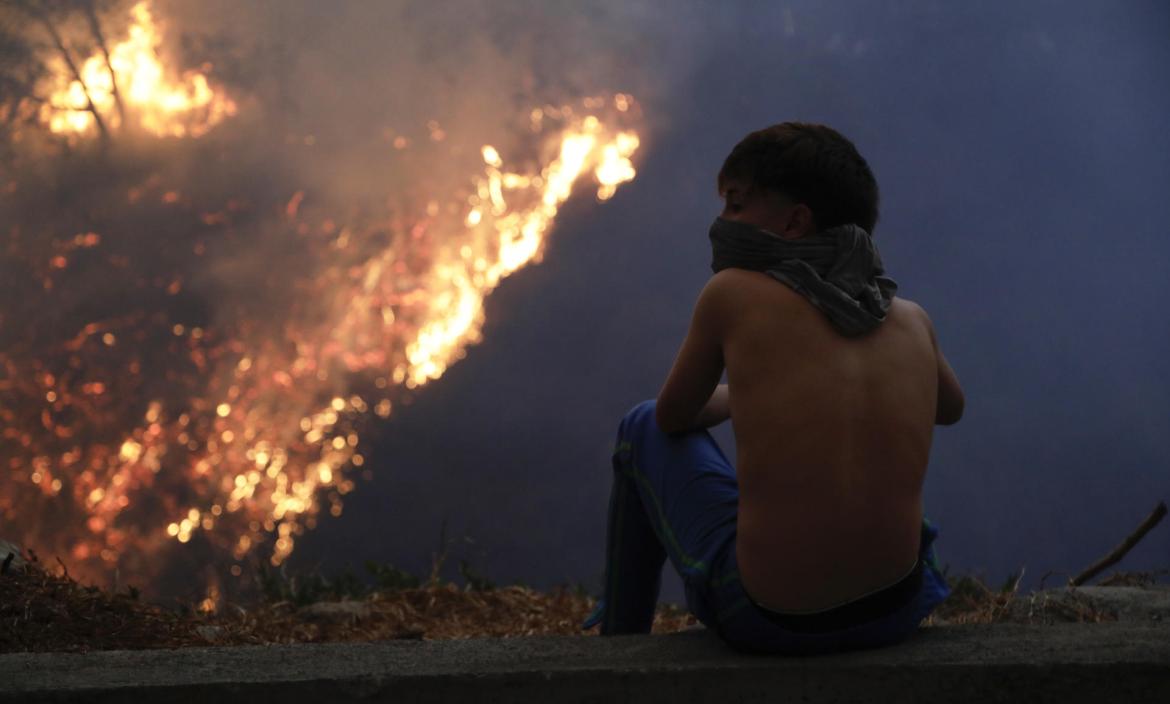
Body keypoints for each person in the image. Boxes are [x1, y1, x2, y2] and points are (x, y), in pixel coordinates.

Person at [583, 122, 964, 655]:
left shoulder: (732, 295)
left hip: (773, 618)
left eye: (737, 205)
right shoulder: (910, 317)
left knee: (641, 424)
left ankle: (616, 650)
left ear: (794, 222)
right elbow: (950, 408)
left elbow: (673, 418)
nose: (722, 222)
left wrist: (740, 396)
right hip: (898, 608)